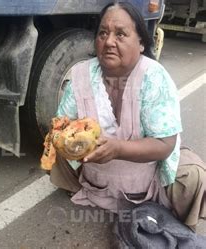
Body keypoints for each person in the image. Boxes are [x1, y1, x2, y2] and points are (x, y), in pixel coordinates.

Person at [49, 2, 205, 230]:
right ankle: (91, 189)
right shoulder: (81, 75)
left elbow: (165, 144)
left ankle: (163, 213)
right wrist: (70, 141)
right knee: (52, 149)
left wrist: (118, 149)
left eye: (120, 34)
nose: (109, 41)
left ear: (141, 43)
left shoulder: (154, 78)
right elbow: (60, 125)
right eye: (103, 33)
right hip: (96, 172)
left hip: (148, 178)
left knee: (194, 176)